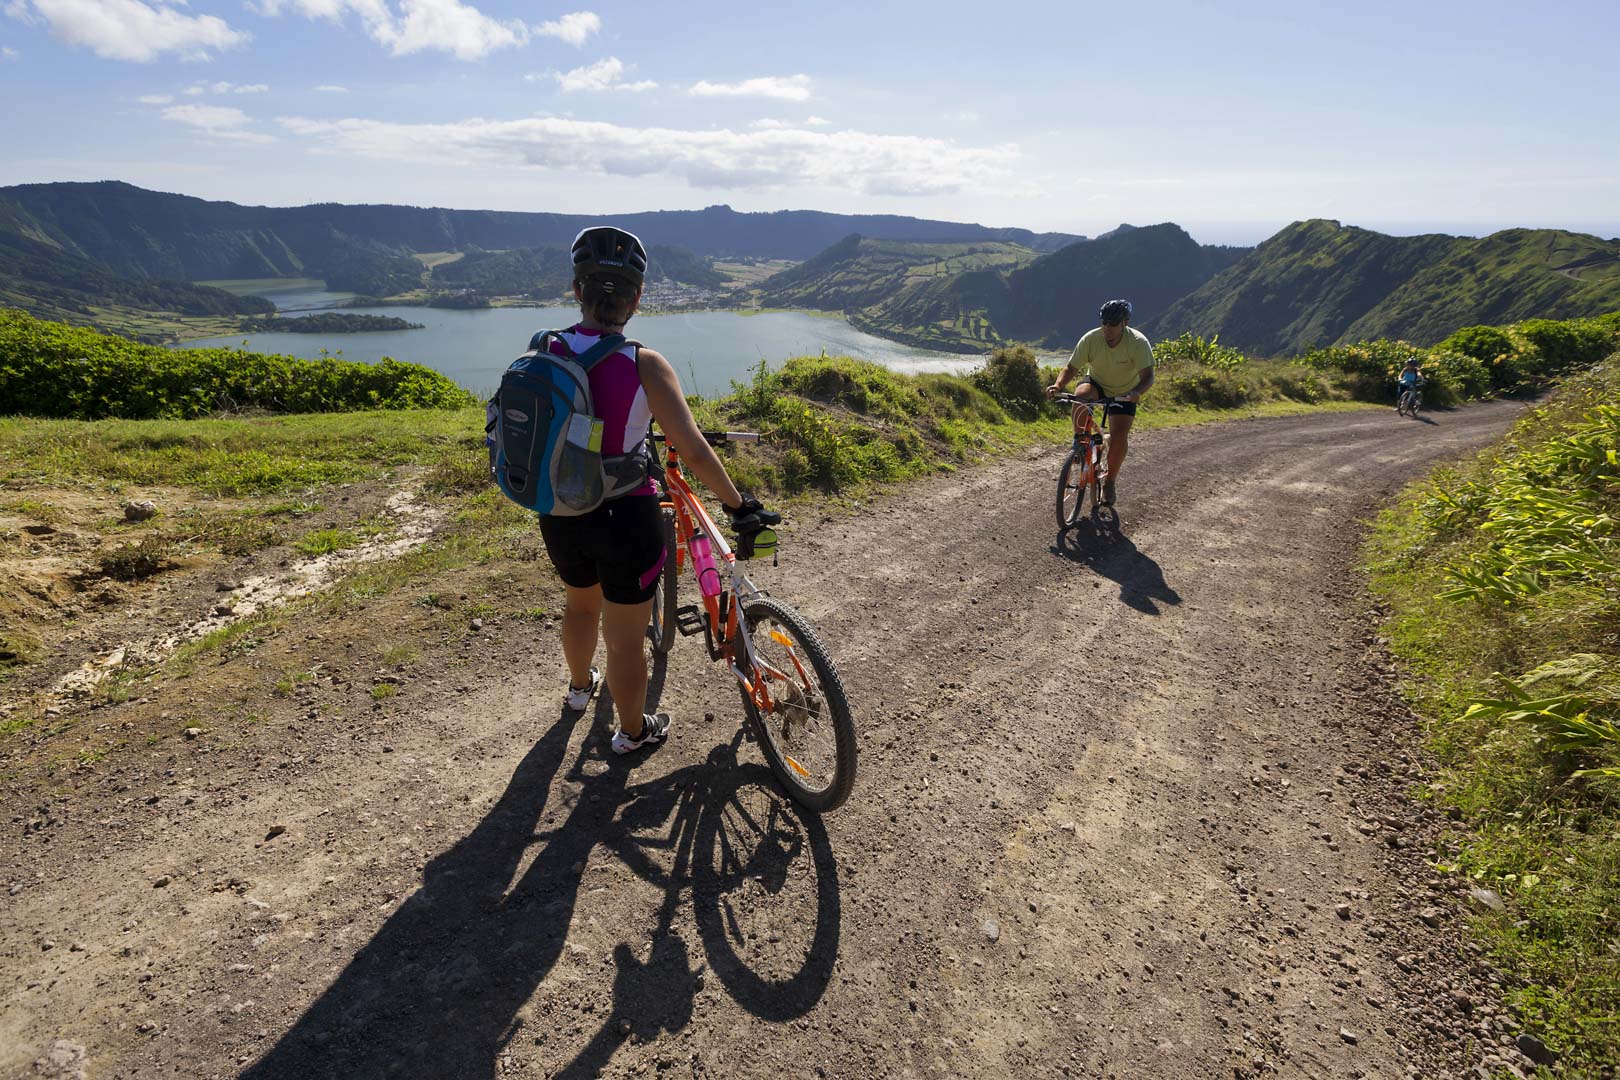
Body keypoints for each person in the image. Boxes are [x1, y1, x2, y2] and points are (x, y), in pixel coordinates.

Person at [539, 226, 779, 755]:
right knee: (626, 638)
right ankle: (632, 734)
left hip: (558, 507)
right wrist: (739, 505)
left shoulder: (545, 348)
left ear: (576, 289)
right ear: (638, 297)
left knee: (580, 607)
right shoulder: (643, 362)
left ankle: (580, 691)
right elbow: (692, 450)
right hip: (624, 517)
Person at [1044, 299, 1155, 506]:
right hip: (1097, 383)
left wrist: (1137, 393)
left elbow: (1148, 376)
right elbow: (1071, 368)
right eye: (1105, 323)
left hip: (1125, 391)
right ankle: (1080, 442)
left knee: (1120, 435)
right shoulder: (1091, 339)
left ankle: (1110, 482)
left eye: (1113, 325)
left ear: (1125, 323)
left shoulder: (1138, 343)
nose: (1108, 330)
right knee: (1080, 394)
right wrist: (1058, 386)